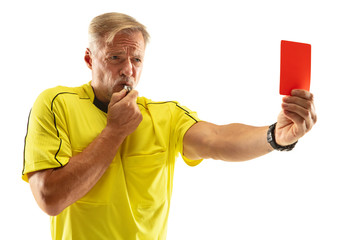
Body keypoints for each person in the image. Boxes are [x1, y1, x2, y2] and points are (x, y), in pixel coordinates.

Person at [22, 12, 317, 240]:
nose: (128, 69)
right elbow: (50, 198)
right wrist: (114, 132)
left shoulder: (163, 115)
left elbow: (217, 138)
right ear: (89, 59)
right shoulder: (55, 103)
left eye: (136, 58)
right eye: (115, 58)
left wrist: (276, 136)